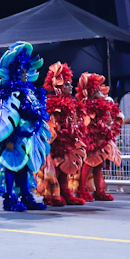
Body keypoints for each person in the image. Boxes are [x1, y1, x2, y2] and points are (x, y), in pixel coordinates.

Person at [0, 42, 50, 211]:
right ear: (14, 72)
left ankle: (26, 196)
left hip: (27, 137)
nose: (25, 74)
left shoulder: (30, 92)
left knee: (23, 168)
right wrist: (8, 138)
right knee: (11, 167)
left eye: (26, 70)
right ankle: (10, 198)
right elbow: (1, 120)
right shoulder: (7, 92)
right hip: (13, 138)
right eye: (21, 71)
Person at [35, 62, 87, 206]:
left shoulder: (73, 103)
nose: (71, 87)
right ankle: (51, 196)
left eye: (70, 84)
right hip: (55, 143)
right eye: (67, 84)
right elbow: (49, 125)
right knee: (54, 170)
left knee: (65, 169)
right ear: (58, 86)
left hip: (69, 142)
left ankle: (65, 193)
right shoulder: (51, 103)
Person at [75, 73, 123, 201]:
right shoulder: (88, 105)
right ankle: (81, 190)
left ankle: (98, 191)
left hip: (100, 139)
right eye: (96, 90)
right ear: (91, 92)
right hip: (91, 139)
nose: (100, 92)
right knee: (88, 164)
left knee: (98, 166)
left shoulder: (101, 103)